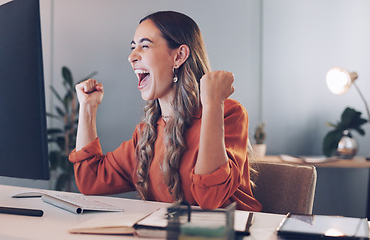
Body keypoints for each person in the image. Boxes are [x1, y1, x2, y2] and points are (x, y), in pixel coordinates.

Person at [69, 11, 262, 211]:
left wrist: (213, 103)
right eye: (133, 47)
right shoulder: (147, 133)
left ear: (179, 56)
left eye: (145, 46)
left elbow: (210, 198)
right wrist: (88, 108)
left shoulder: (228, 113)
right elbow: (90, 181)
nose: (131, 57)